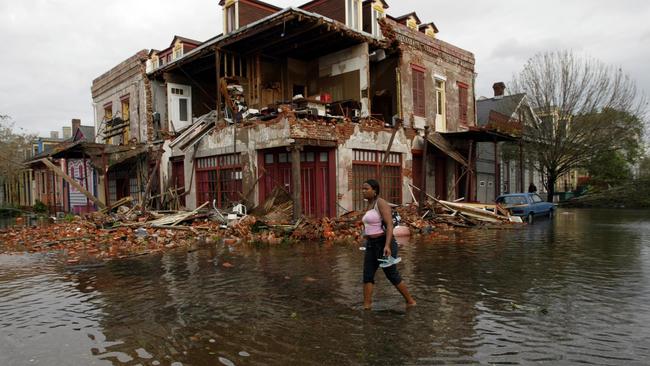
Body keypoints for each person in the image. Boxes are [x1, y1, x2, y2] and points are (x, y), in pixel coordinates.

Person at [361, 179, 416, 309]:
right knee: (367, 274)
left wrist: (387, 246)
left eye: (366, 189)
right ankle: (367, 306)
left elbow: (390, 225)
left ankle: (410, 301)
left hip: (384, 243)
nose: (363, 191)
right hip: (371, 244)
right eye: (362, 189)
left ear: (374, 191)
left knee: (391, 274)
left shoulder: (380, 203)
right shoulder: (369, 204)